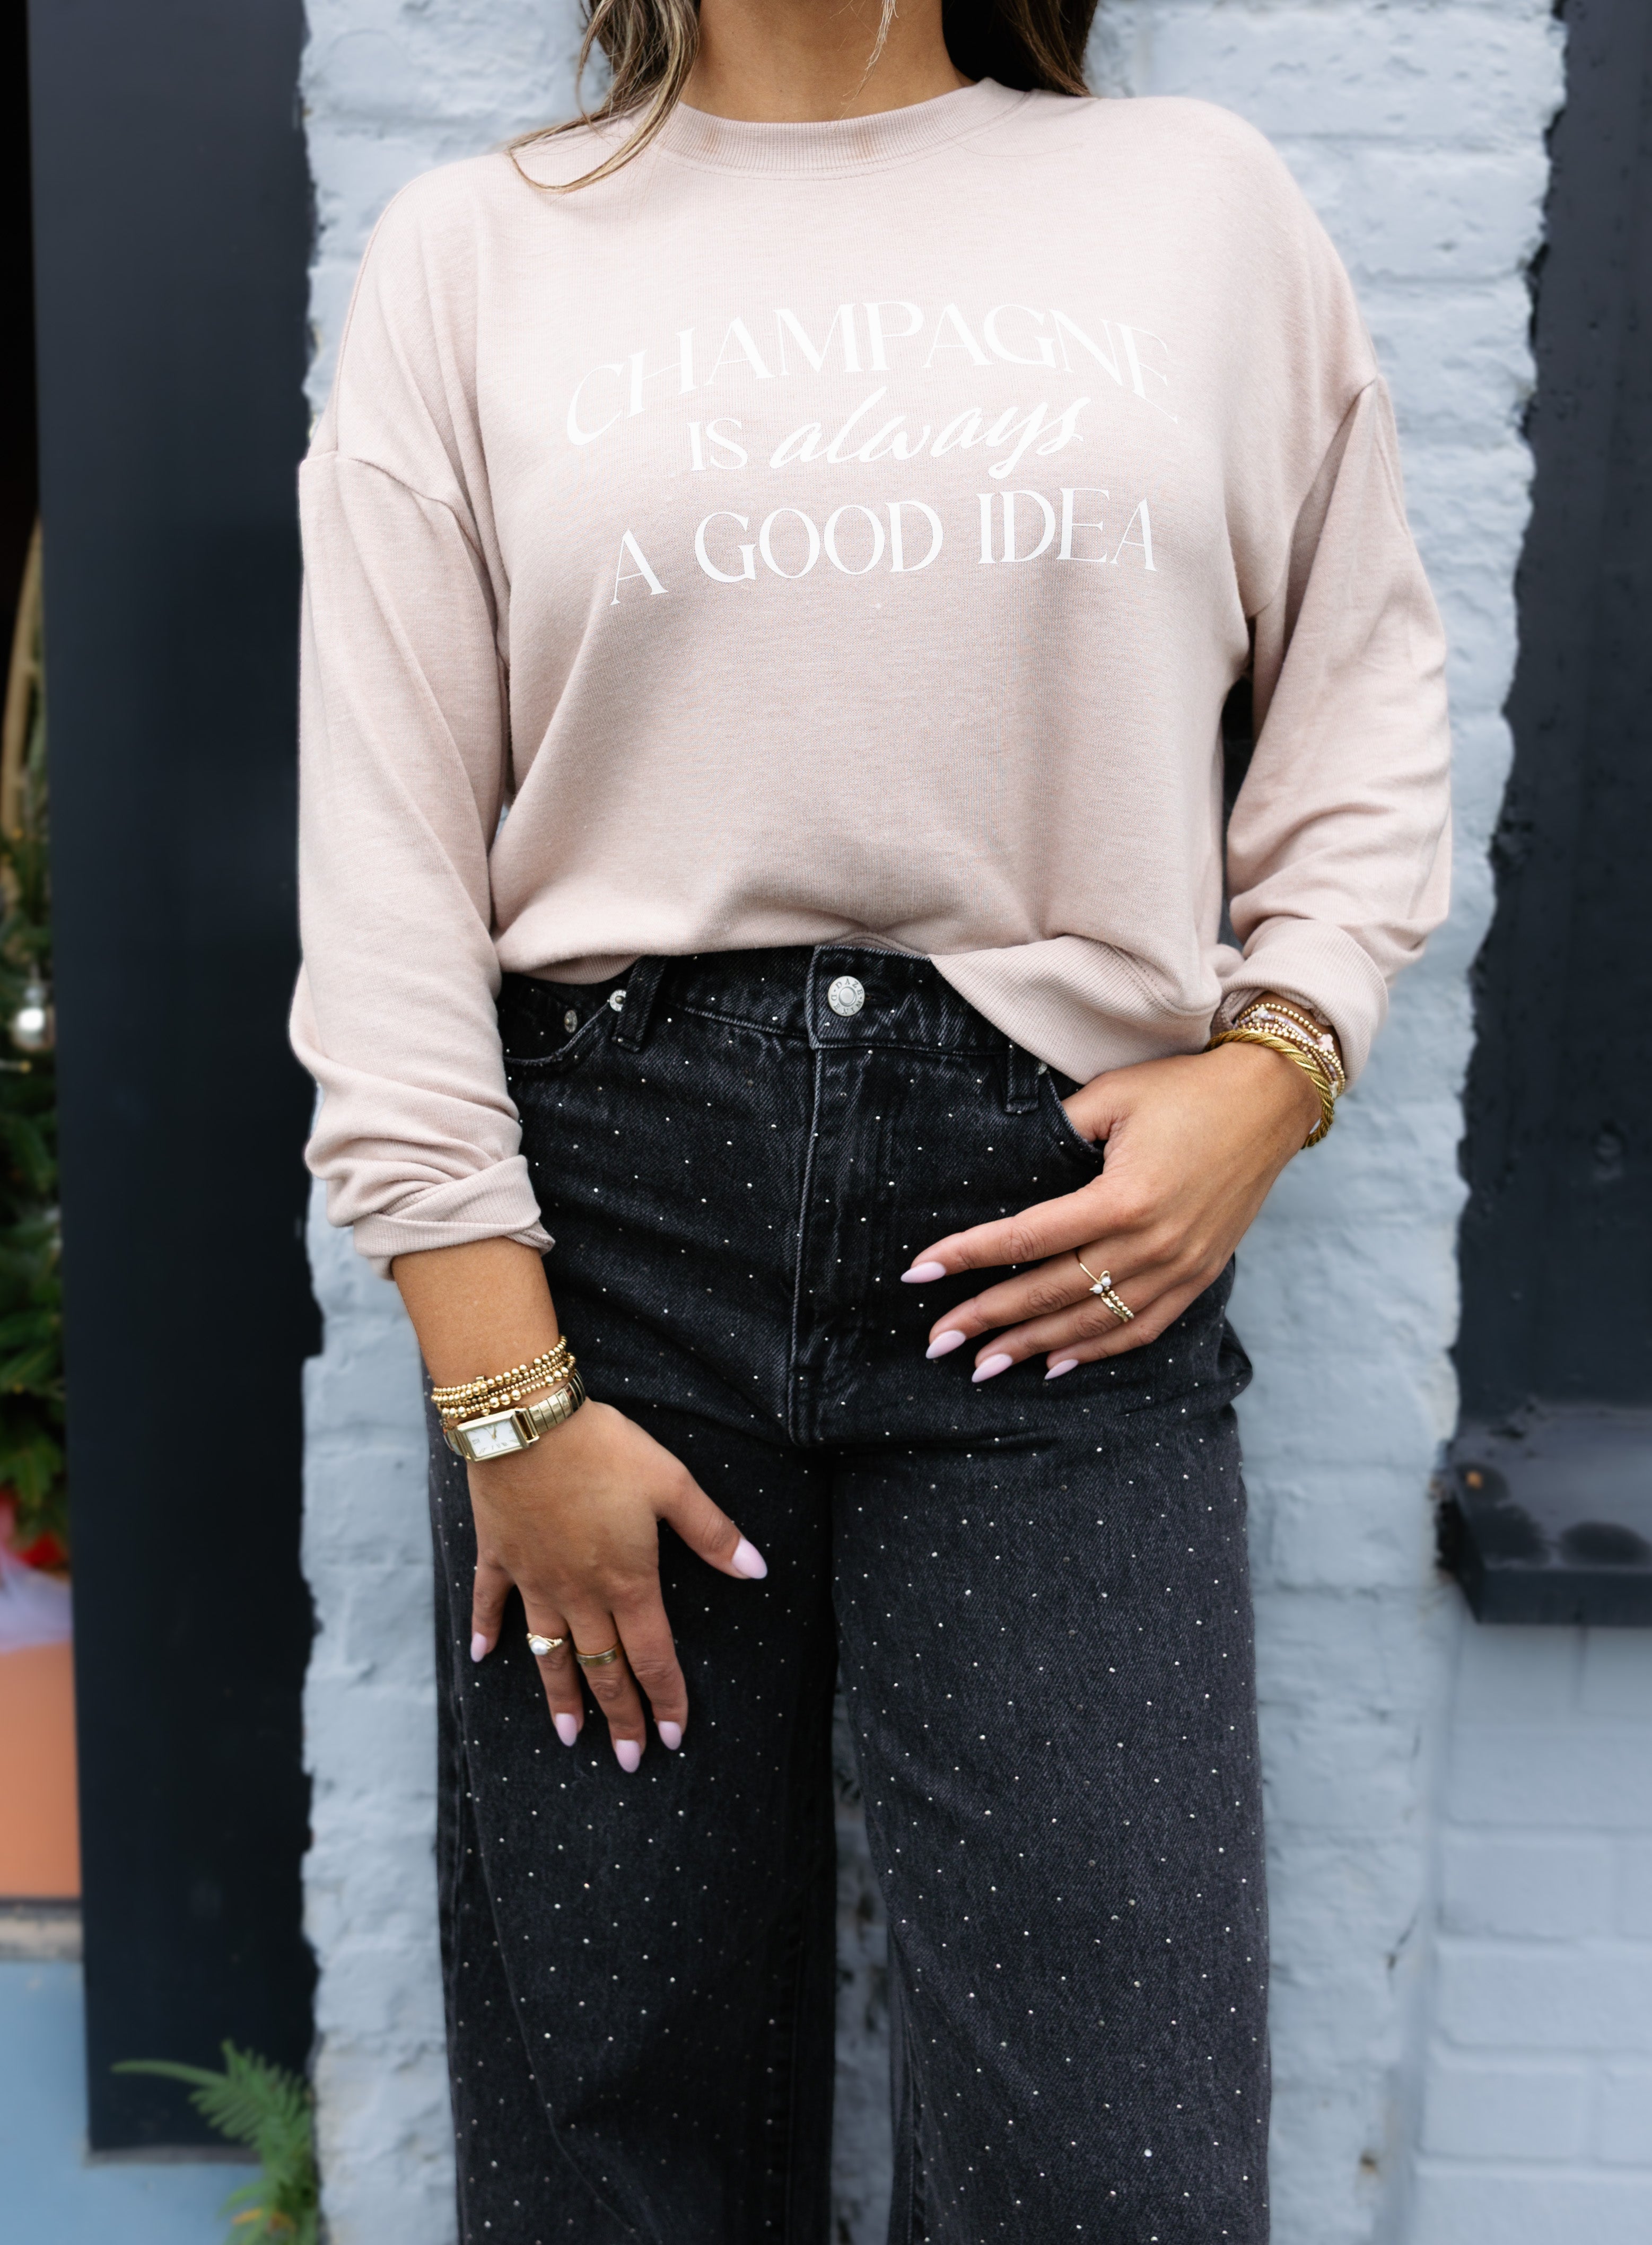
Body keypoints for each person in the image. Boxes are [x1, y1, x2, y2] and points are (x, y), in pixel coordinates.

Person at [291, 0, 1450, 2230]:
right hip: (607, 1249)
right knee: (613, 2129)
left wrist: (1275, 1063)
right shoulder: (476, 253)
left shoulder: (1193, 208)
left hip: (1062, 1245)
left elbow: (1361, 685)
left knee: (1112, 2159)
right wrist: (507, 1401)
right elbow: (388, 860)